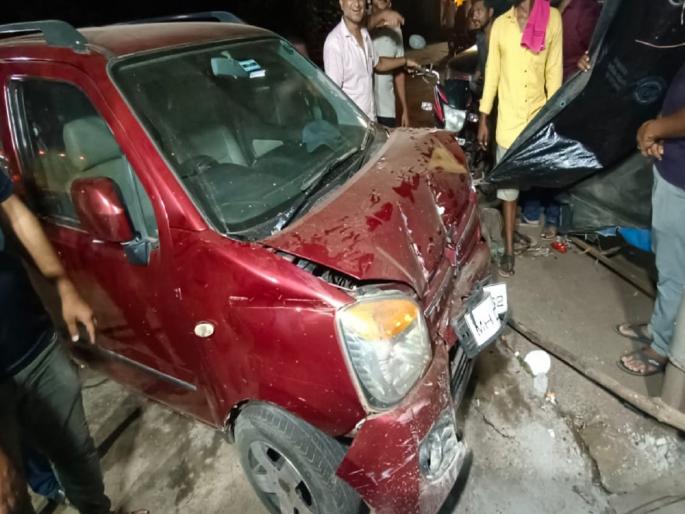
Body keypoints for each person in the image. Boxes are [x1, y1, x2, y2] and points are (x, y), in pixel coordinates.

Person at [0, 171, 146, 513]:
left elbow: (14, 213)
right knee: (10, 499)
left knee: (77, 454)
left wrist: (62, 285)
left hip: (34, 343)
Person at [477, 0, 563, 276]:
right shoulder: (501, 25)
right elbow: (492, 72)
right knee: (508, 189)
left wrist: (553, 118)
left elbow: (554, 72)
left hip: (537, 120)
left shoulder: (552, 18)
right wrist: (483, 116)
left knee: (543, 180)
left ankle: (541, 222)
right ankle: (509, 250)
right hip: (509, 121)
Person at [618, 62, 685, 376]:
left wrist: (654, 129)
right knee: (666, 261)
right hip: (671, 165)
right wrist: (661, 130)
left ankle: (662, 347)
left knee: (675, 272)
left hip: (682, 180)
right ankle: (661, 325)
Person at [323, 0, 420, 120]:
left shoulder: (364, 34)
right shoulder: (335, 43)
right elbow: (332, 94)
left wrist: (405, 61)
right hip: (352, 124)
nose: (357, 4)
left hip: (371, 121)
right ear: (341, 3)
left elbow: (379, 63)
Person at [370, 0, 410, 128]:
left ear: (389, 3)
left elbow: (399, 71)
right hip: (364, 108)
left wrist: (405, 108)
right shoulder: (362, 28)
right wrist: (383, 15)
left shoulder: (396, 31)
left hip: (386, 109)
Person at [470, 0, 496, 97]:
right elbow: (481, 63)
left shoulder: (501, 35)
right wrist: (474, 79)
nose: (474, 17)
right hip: (488, 91)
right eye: (473, 12)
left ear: (490, 12)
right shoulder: (480, 36)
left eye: (479, 11)